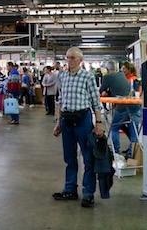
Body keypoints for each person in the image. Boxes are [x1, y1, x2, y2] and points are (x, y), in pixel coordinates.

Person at [53, 47, 103, 208]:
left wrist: (99, 124)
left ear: (80, 60)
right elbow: (61, 101)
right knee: (69, 158)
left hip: (83, 120)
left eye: (72, 58)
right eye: (67, 58)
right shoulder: (63, 76)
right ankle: (70, 189)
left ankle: (88, 193)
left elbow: (96, 102)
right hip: (67, 121)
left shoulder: (88, 77)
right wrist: (58, 122)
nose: (69, 61)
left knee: (88, 158)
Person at [100, 60, 140, 158]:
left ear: (107, 69)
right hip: (134, 105)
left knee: (114, 128)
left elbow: (102, 90)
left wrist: (107, 92)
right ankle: (132, 155)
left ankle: (116, 154)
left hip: (122, 106)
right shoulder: (122, 75)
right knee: (134, 131)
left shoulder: (107, 77)